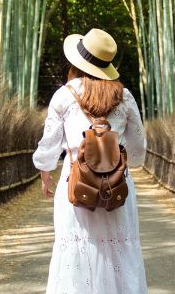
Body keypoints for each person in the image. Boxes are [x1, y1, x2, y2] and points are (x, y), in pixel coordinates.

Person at [32, 28, 148, 293]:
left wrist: (46, 172)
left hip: (76, 186)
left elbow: (48, 147)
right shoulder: (125, 96)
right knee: (119, 251)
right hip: (116, 189)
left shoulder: (64, 96)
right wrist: (114, 159)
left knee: (75, 252)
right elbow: (138, 151)